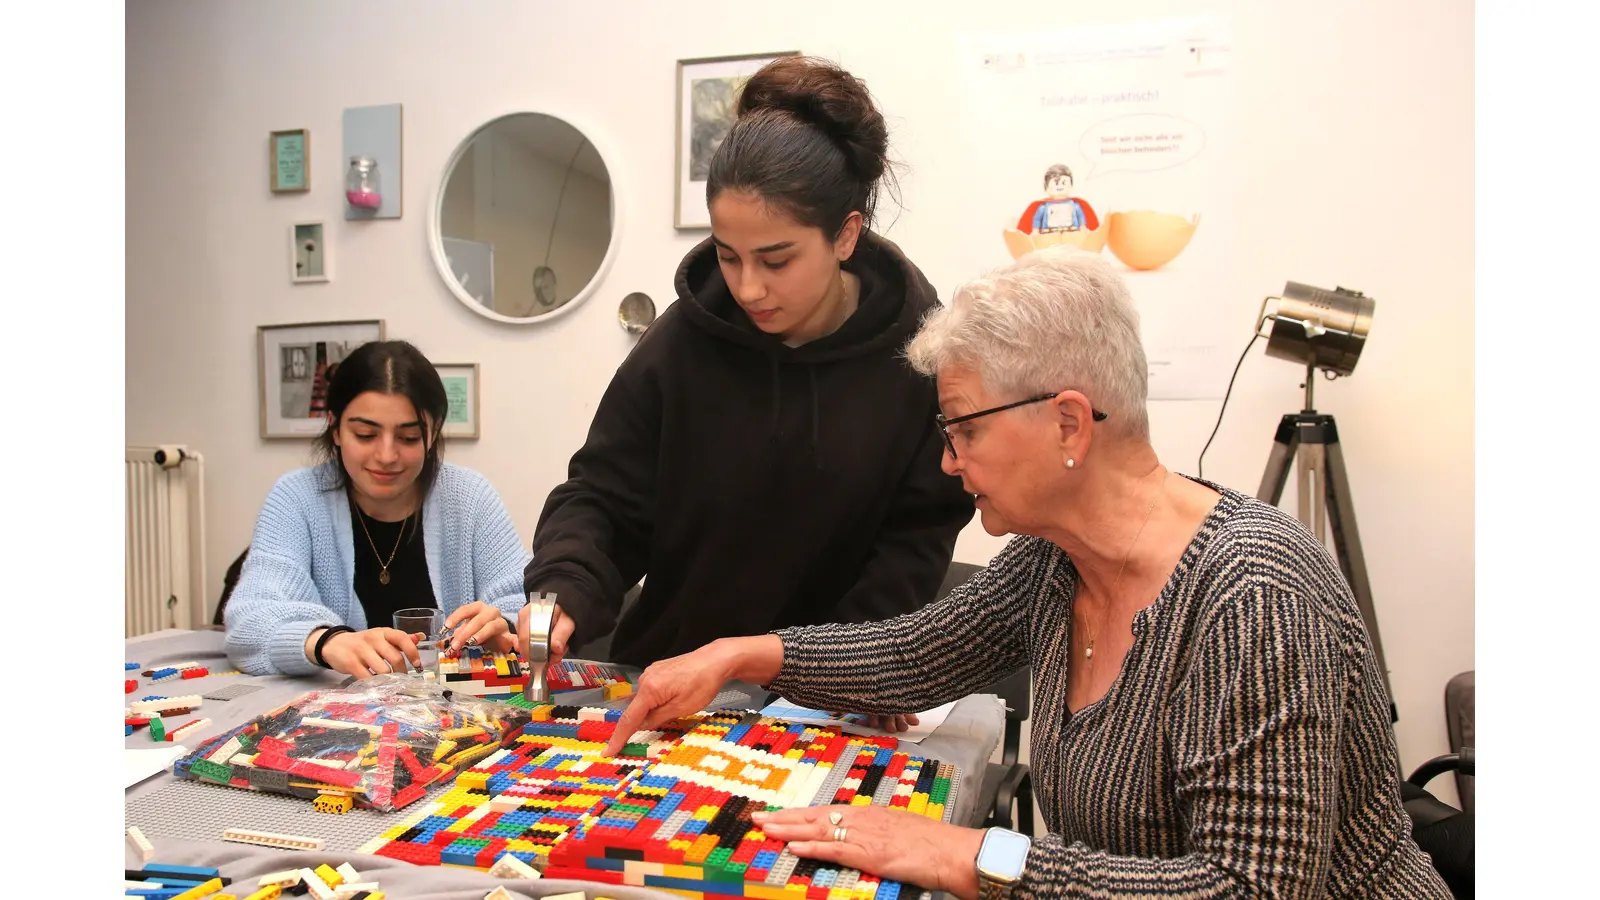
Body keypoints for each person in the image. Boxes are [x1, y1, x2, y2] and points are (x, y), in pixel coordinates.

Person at [602, 248, 1452, 898]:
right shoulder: (1056, 560)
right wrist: (744, 654)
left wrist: (981, 856)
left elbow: (1247, 889)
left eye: (963, 428)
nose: (947, 461)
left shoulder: (1253, 597)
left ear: (1070, 424)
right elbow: (914, 655)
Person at [518, 56, 975, 697]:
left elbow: (914, 544)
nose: (749, 287)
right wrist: (566, 590)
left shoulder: (919, 360)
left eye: (776, 259)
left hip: (821, 701)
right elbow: (604, 497)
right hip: (663, 685)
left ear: (845, 236)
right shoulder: (681, 342)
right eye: (728, 256)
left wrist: (835, 675)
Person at [225, 340, 531, 679]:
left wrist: (502, 623)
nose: (386, 455)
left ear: (433, 433)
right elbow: (248, 622)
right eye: (365, 434)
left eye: (409, 437)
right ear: (335, 428)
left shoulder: (470, 497)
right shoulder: (296, 498)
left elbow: (524, 602)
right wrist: (325, 642)